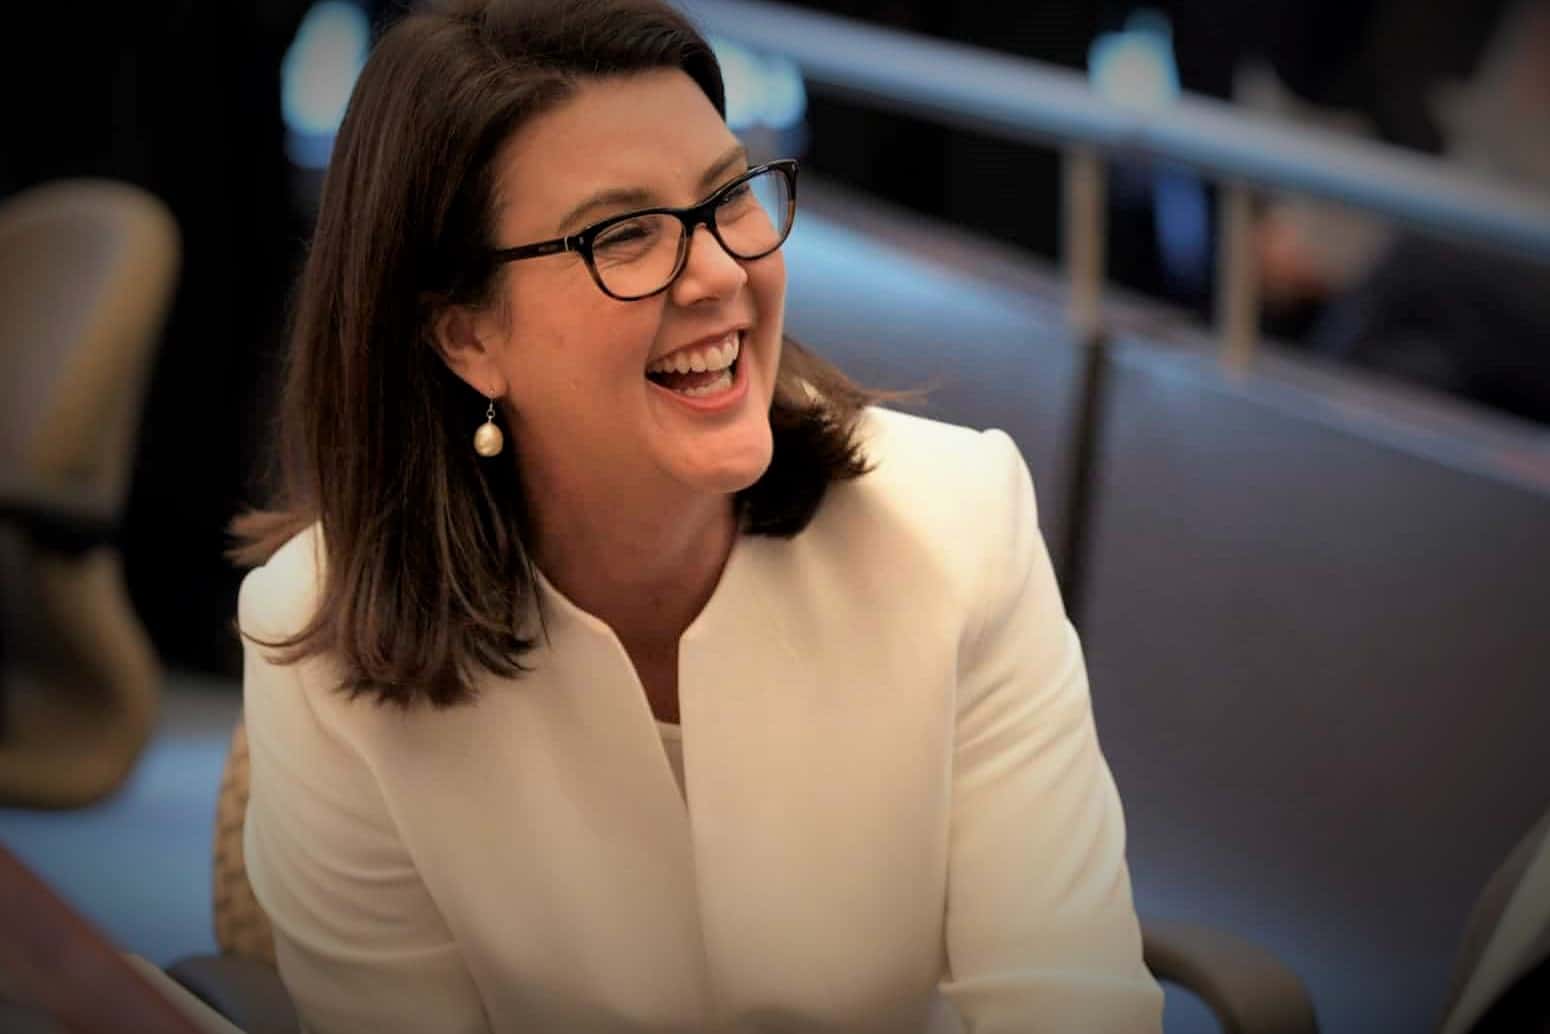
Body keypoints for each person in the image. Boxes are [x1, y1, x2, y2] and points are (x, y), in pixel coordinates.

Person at [231, 0, 1162, 1030]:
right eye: (625, 234)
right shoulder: (317, 644)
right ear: (467, 338)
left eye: (729, 195)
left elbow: (1069, 1006)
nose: (721, 271)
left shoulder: (957, 522)